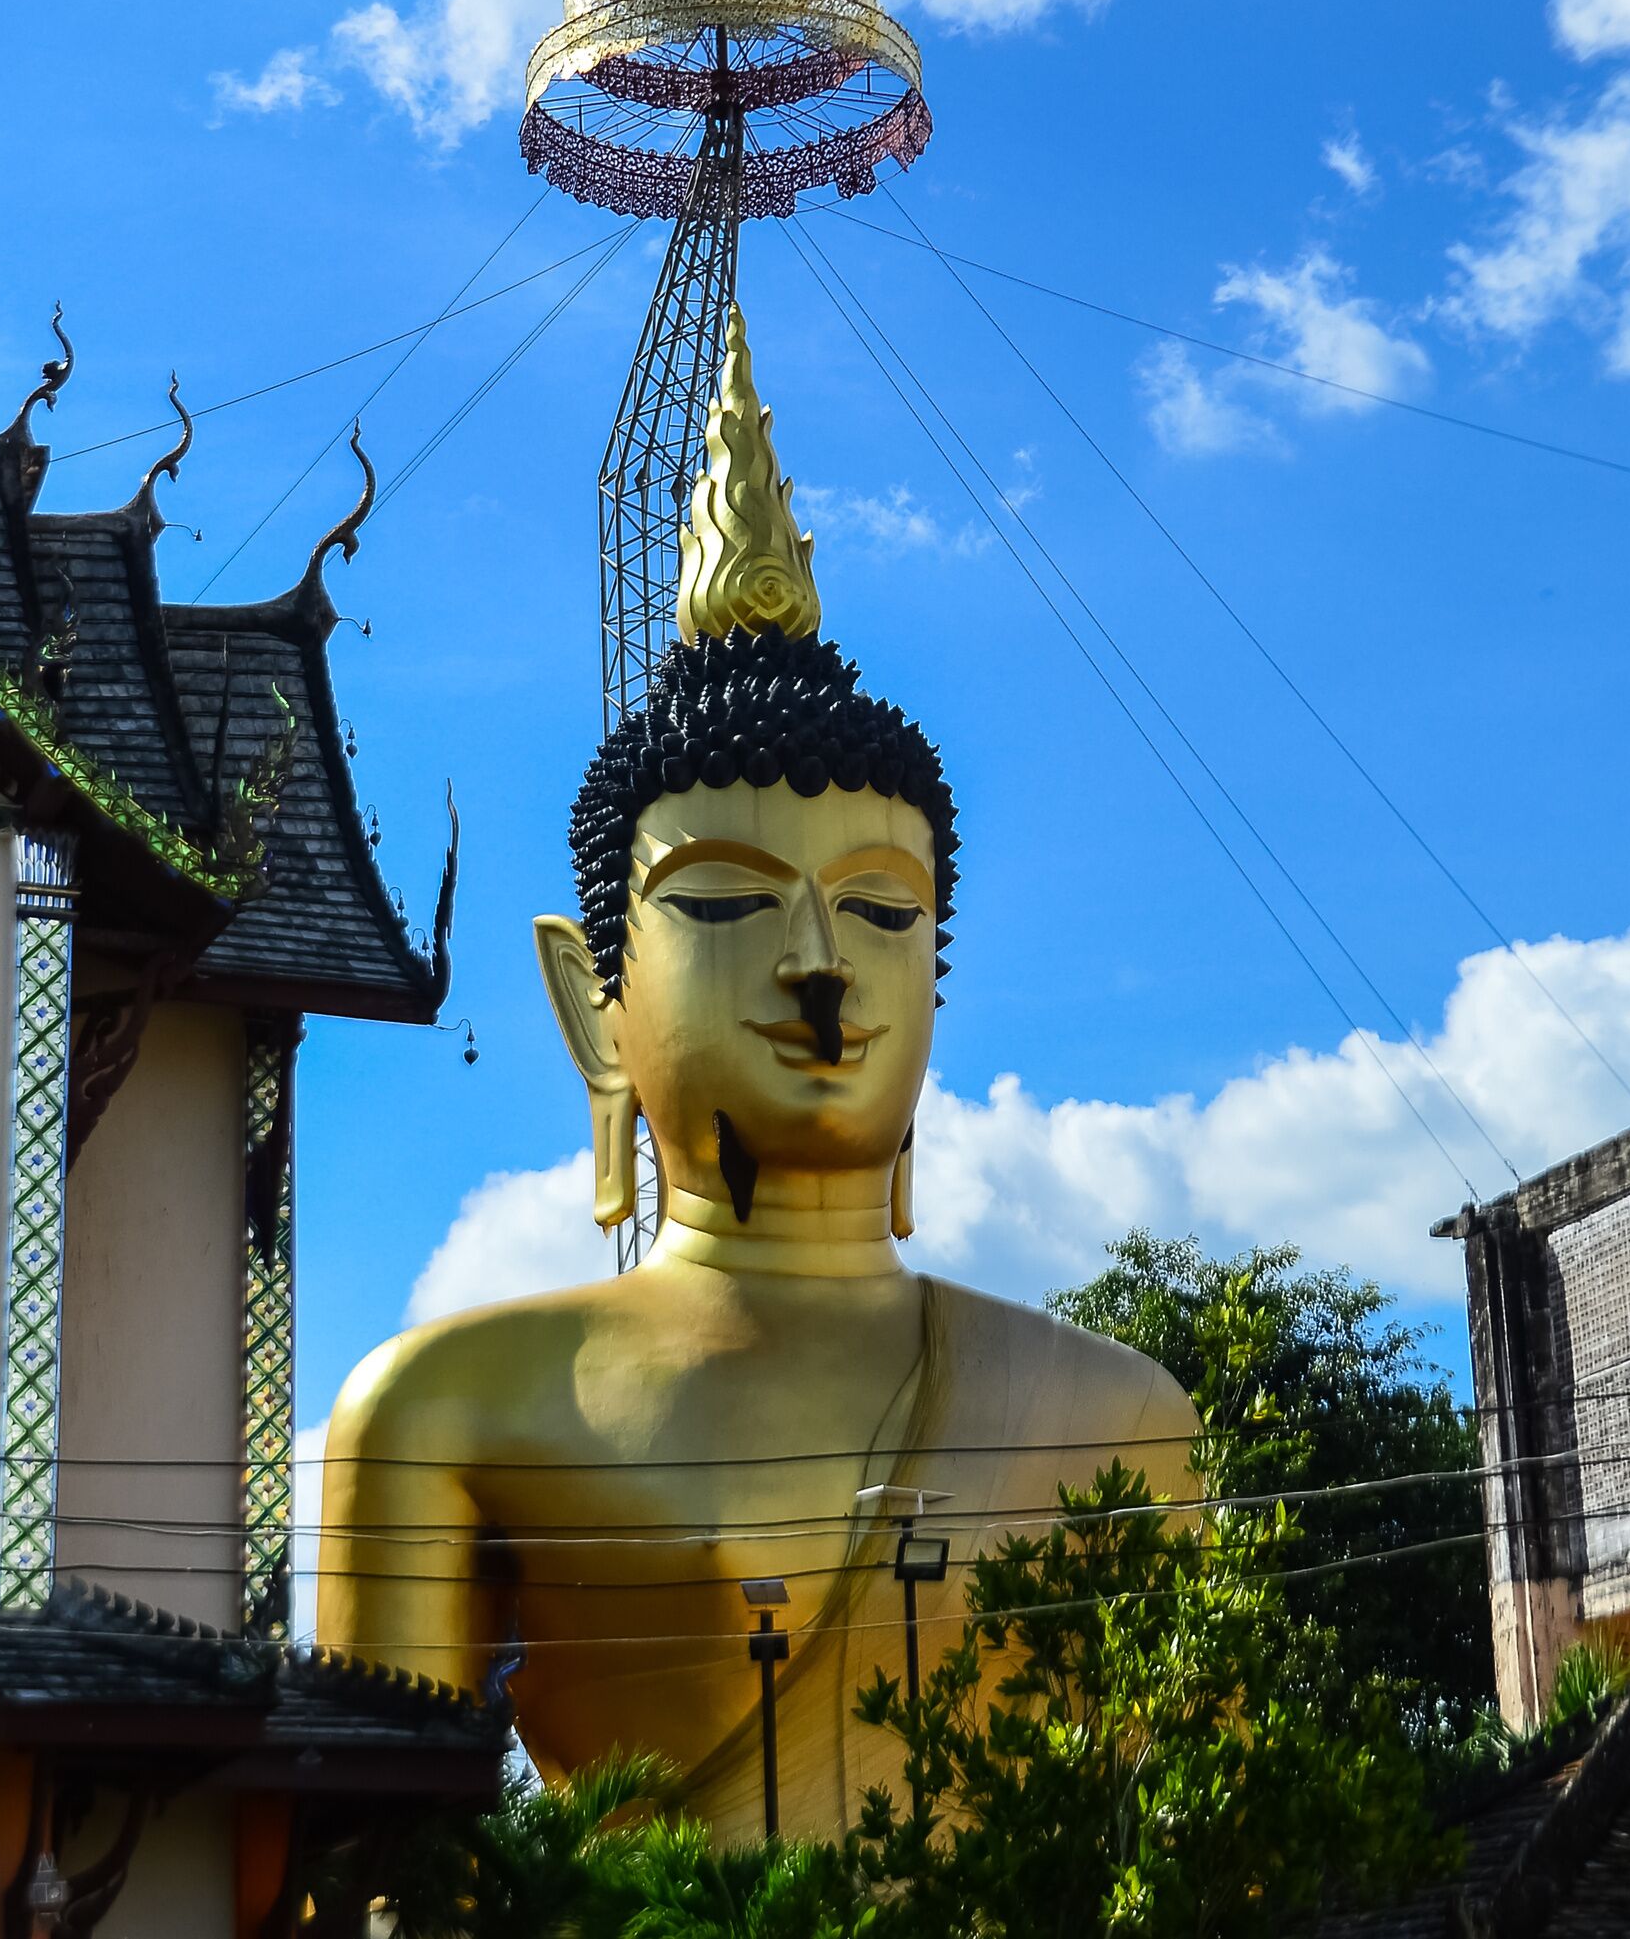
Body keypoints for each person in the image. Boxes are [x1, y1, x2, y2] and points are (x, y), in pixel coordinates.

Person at [318, 307, 1193, 1835]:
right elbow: (378, 1875)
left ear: (938, 972)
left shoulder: (1114, 1413)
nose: (820, 961)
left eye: (879, 907)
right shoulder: (445, 1414)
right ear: (595, 1009)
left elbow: (1211, 1855)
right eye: (724, 902)